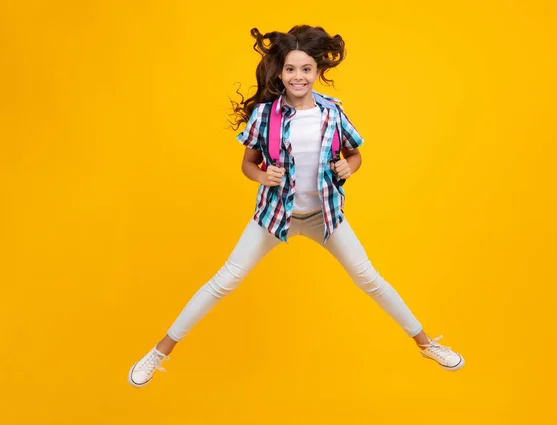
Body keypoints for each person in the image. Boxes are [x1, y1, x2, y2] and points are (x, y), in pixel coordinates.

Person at [128, 25, 464, 389]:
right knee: (224, 281)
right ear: (280, 72)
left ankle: (427, 345)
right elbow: (247, 164)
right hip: (274, 218)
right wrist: (262, 177)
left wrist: (347, 166)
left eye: (306, 69)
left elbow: (355, 154)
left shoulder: (333, 112)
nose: (298, 76)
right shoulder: (265, 116)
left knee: (369, 278)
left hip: (325, 217)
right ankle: (159, 352)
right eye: (291, 69)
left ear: (318, 72)